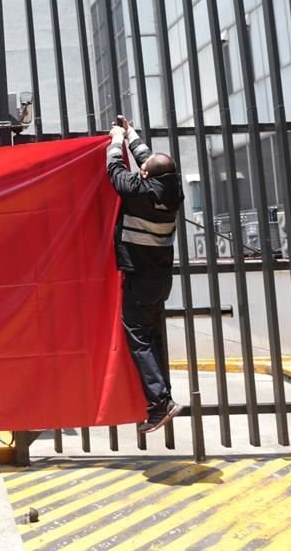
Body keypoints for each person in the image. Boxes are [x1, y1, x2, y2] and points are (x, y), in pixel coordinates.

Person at [106, 115, 185, 434]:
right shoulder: (172, 187)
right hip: (160, 278)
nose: (140, 168)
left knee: (138, 338)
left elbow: (114, 171)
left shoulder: (139, 191)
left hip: (140, 278)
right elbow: (149, 160)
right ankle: (162, 398)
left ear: (146, 176)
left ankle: (160, 403)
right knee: (150, 336)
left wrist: (114, 140)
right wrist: (130, 133)